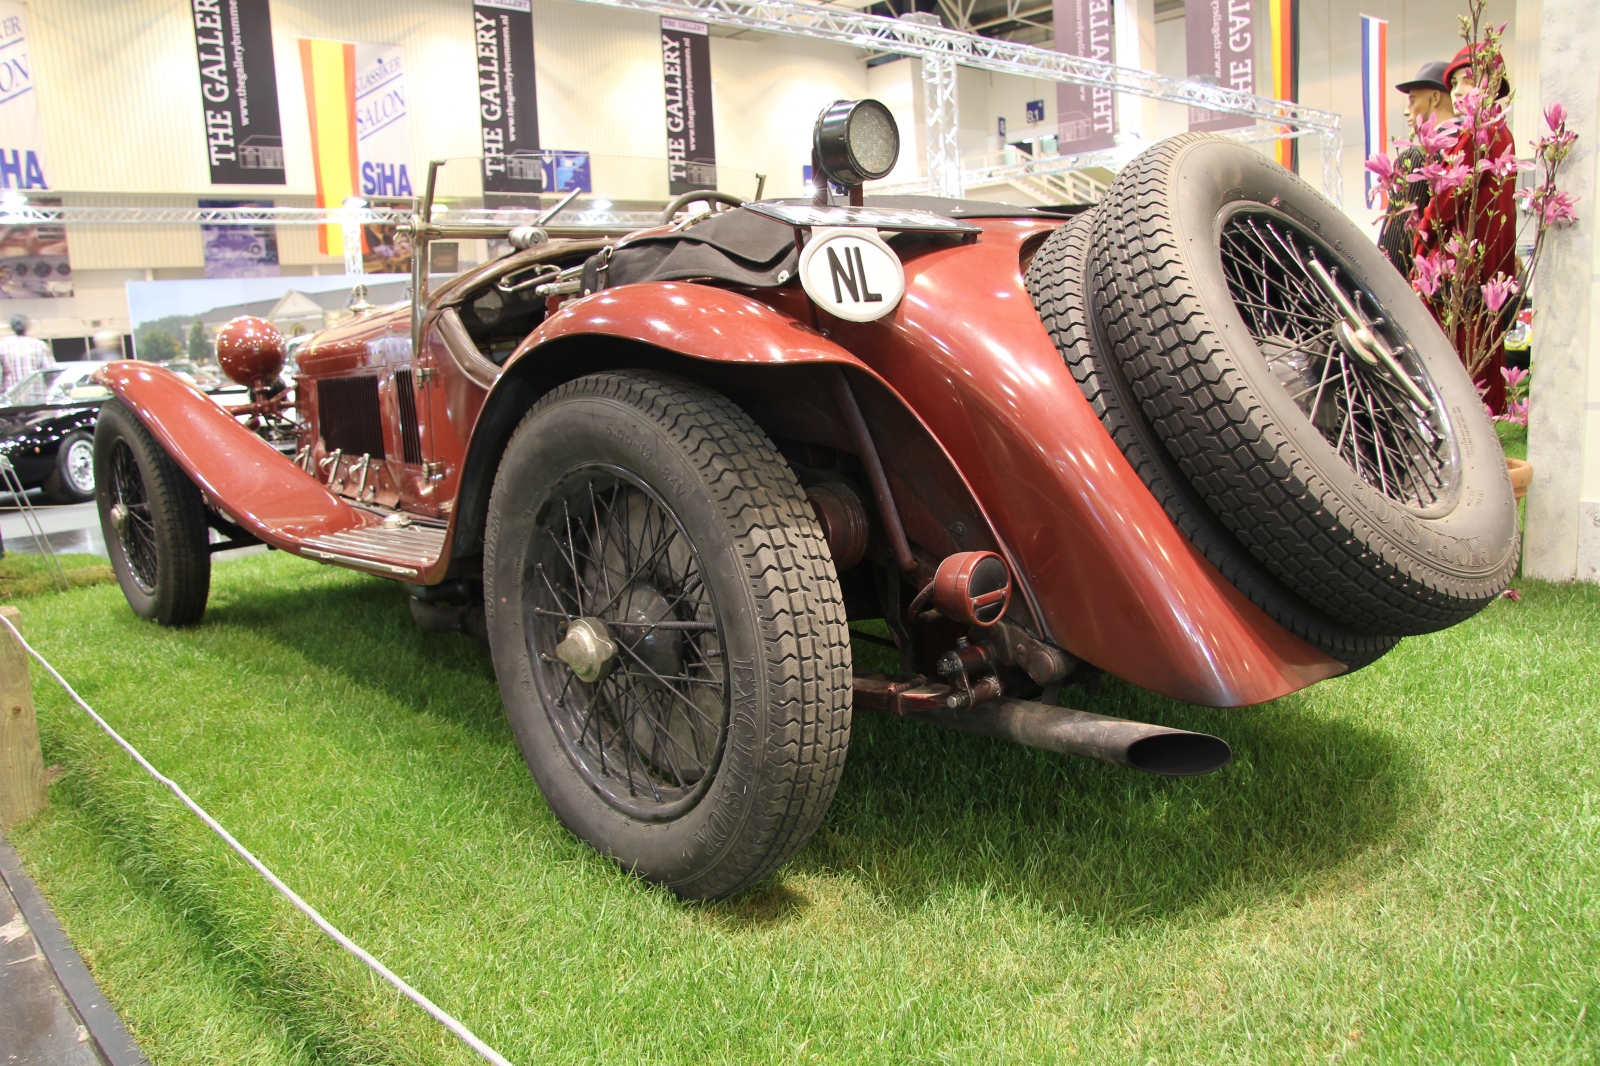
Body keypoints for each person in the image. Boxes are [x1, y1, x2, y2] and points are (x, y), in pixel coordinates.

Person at [1413, 43, 1517, 414]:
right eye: (1454, 82)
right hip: (1483, 273)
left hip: (1462, 271)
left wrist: (1421, 245)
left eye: (1467, 80)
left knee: (1452, 366)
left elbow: (1447, 198)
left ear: (1491, 84)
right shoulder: (1501, 133)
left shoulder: (1477, 133)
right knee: (1476, 364)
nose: (1457, 90)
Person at [1379, 61, 1454, 277]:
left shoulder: (1419, 156)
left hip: (1423, 292)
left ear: (1436, 98)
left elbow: (1395, 246)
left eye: (1412, 100)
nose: (1406, 111)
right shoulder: (1474, 151)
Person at [0, 315, 54, 395]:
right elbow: (51, 372)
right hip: (37, 397)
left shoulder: (3, 345)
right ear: (27, 327)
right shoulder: (39, 345)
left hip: (11, 398)